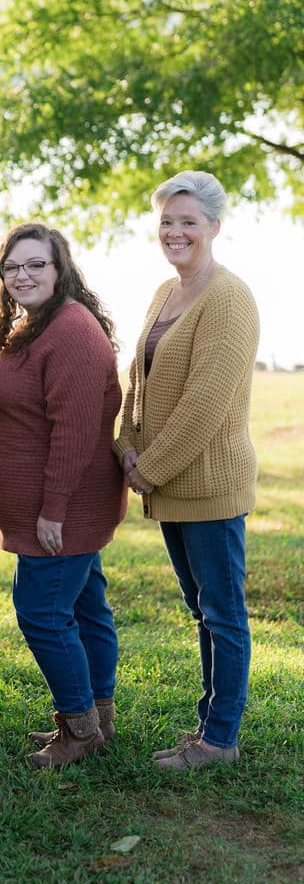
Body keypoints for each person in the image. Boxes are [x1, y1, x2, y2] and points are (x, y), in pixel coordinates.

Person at [116, 170, 259, 771]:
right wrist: (126, 443)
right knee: (203, 610)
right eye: (167, 223)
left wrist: (150, 468)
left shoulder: (229, 298)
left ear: (214, 228)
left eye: (188, 223)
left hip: (210, 487)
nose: (176, 233)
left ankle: (219, 741)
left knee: (223, 613)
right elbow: (139, 381)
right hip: (169, 483)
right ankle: (207, 730)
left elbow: (208, 400)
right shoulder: (163, 293)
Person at [0, 223, 126, 769]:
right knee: (86, 607)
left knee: (41, 612)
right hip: (56, 511)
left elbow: (77, 429)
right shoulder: (34, 327)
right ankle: (98, 719)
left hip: (65, 511)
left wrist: (53, 509)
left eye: (36, 264)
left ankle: (79, 728)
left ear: (59, 268)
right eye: (13, 266)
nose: (23, 275)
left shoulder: (70, 330)